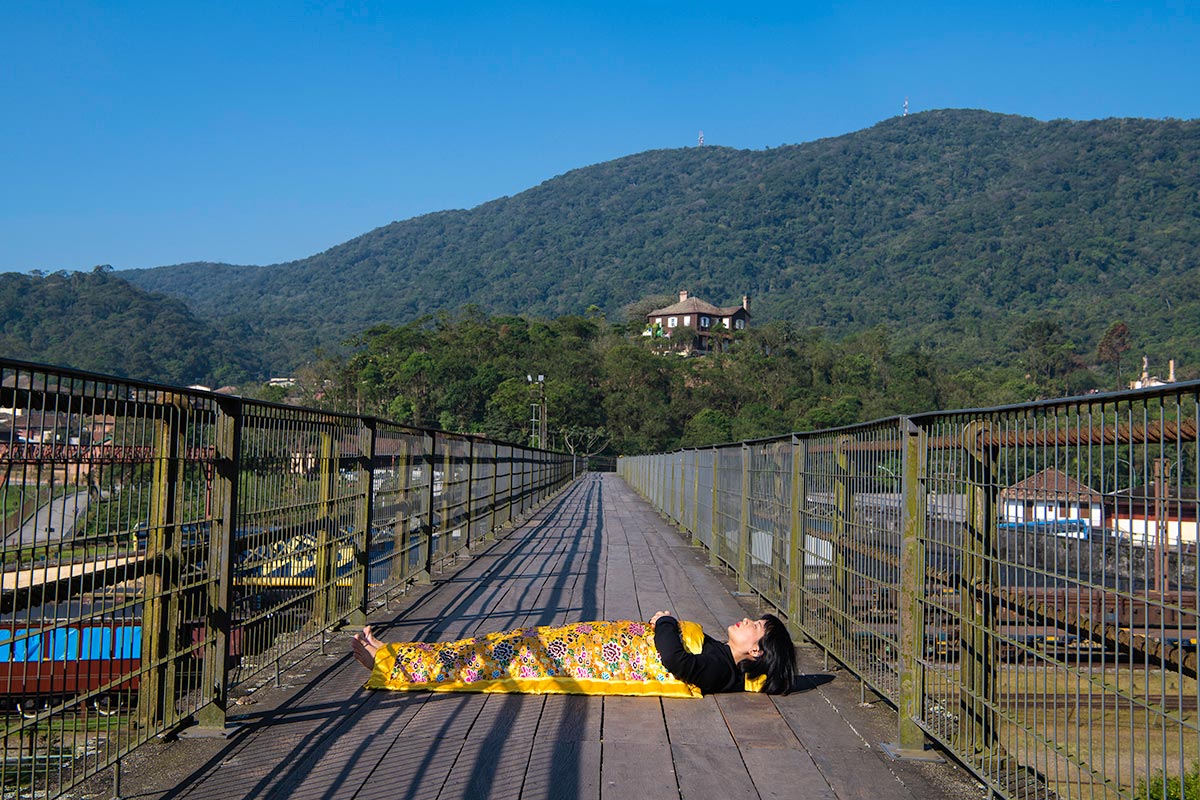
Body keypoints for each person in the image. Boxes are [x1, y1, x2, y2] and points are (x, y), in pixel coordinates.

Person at [351, 610, 796, 697]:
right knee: (492, 648)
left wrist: (663, 623)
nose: (742, 620)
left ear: (755, 650)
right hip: (591, 642)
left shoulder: (720, 668)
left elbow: (676, 663)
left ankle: (391, 666)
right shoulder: (721, 656)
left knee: (498, 656)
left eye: (752, 625)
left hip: (590, 656)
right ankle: (394, 655)